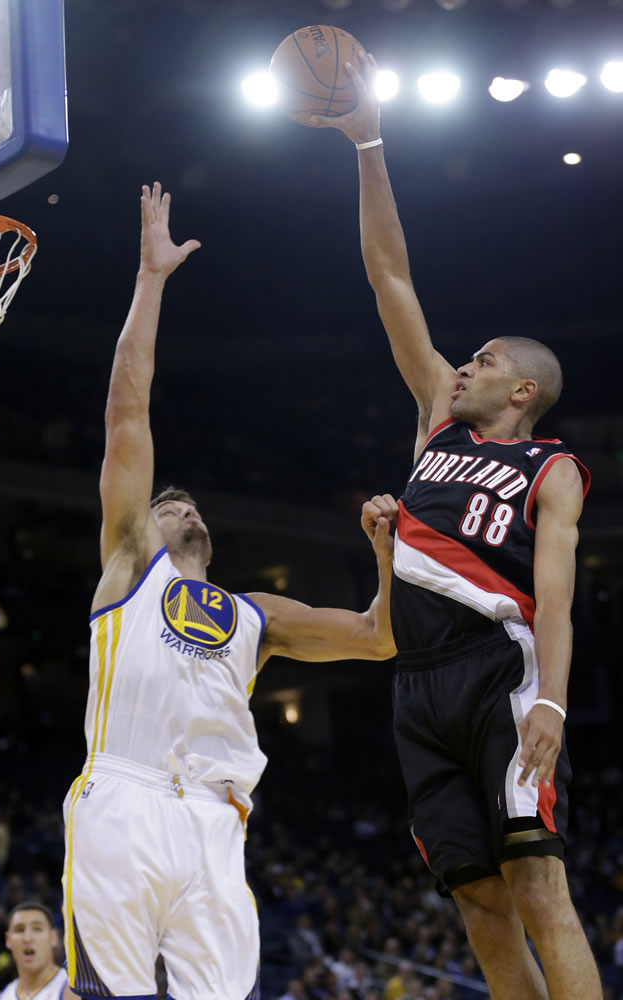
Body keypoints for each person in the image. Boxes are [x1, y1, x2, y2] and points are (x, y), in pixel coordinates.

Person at [309, 53, 601, 1000]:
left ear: (522, 388)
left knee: (536, 884)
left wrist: (551, 702)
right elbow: (386, 273)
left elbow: (554, 602)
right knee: (476, 904)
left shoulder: (549, 468)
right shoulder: (436, 414)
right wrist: (368, 142)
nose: (459, 365)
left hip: (498, 670)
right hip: (416, 686)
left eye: (479, 359)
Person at [61, 182, 397, 1000]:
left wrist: (386, 558)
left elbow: (376, 637)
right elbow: (126, 412)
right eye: (168, 501)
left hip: (217, 818)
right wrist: (151, 281)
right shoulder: (130, 563)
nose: (184, 506)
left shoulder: (258, 616)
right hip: (125, 792)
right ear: (143, 518)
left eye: (190, 502)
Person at [0, 902, 69, 1000]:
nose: (27, 938)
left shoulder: (76, 991)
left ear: (53, 937)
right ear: (8, 940)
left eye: (37, 929)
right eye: (19, 930)